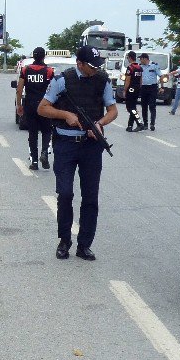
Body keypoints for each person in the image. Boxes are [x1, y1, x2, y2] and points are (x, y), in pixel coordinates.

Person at [37, 45, 118, 261]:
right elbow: (42, 108)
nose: (96, 69)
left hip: (91, 147)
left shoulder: (103, 80)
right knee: (65, 194)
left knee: (90, 197)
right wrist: (65, 115)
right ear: (79, 64)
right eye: (92, 66)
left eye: (97, 65)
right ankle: (64, 240)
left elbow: (113, 110)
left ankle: (84, 245)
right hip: (65, 144)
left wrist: (100, 124)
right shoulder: (61, 80)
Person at [16, 47, 54, 170]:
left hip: (30, 105)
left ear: (33, 56)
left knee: (32, 133)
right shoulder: (49, 71)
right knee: (47, 131)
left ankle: (34, 162)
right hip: (45, 106)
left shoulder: (25, 70)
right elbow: (53, 89)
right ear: (44, 57)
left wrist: (19, 105)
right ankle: (44, 153)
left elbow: (19, 89)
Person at [121, 51, 146, 132]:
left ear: (130, 57)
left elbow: (127, 81)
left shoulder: (130, 68)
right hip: (137, 88)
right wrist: (139, 88)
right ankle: (130, 126)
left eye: (128, 57)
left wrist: (125, 90)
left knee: (130, 108)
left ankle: (139, 123)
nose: (127, 59)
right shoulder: (139, 67)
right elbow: (141, 80)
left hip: (131, 89)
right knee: (133, 107)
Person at [139, 52, 160, 131]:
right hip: (143, 88)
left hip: (152, 87)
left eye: (141, 59)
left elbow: (160, 75)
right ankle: (145, 124)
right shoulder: (140, 66)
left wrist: (162, 87)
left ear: (145, 59)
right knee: (144, 106)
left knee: (152, 105)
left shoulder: (154, 65)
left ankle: (152, 124)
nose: (140, 60)